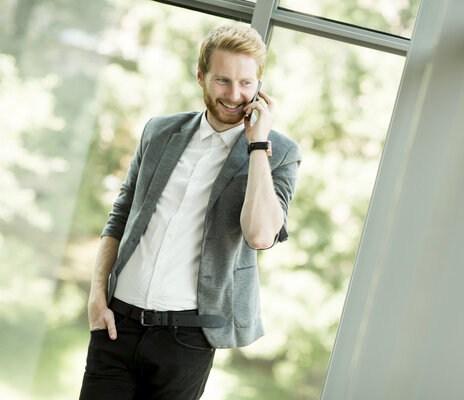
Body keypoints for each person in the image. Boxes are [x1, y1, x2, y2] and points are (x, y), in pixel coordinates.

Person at [79, 23, 301, 400]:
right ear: (200, 76)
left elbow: (261, 235)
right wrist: (97, 296)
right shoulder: (159, 132)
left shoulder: (279, 152)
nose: (234, 95)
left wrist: (257, 144)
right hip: (117, 323)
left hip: (188, 339)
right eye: (222, 80)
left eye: (246, 83)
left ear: (260, 86)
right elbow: (120, 215)